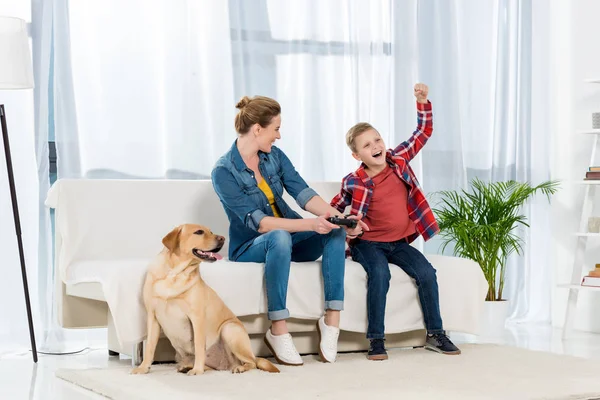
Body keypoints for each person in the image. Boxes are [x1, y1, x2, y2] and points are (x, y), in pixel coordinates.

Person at [211, 95, 367, 365]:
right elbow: (260, 223)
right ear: (258, 129)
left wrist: (342, 219)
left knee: (334, 231)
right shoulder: (224, 171)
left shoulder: (274, 157)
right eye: (276, 129)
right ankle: (278, 330)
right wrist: (310, 224)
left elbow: (304, 194)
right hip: (251, 247)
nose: (279, 136)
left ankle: (331, 321)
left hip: (288, 240)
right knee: (279, 237)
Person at [330, 83, 461, 360]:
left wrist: (422, 101)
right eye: (367, 145)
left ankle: (435, 333)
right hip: (369, 244)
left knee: (427, 273)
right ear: (357, 155)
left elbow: (422, 133)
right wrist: (342, 223)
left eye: (377, 139)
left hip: (399, 243)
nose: (376, 146)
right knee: (380, 274)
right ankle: (376, 339)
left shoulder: (399, 160)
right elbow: (334, 209)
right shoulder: (354, 180)